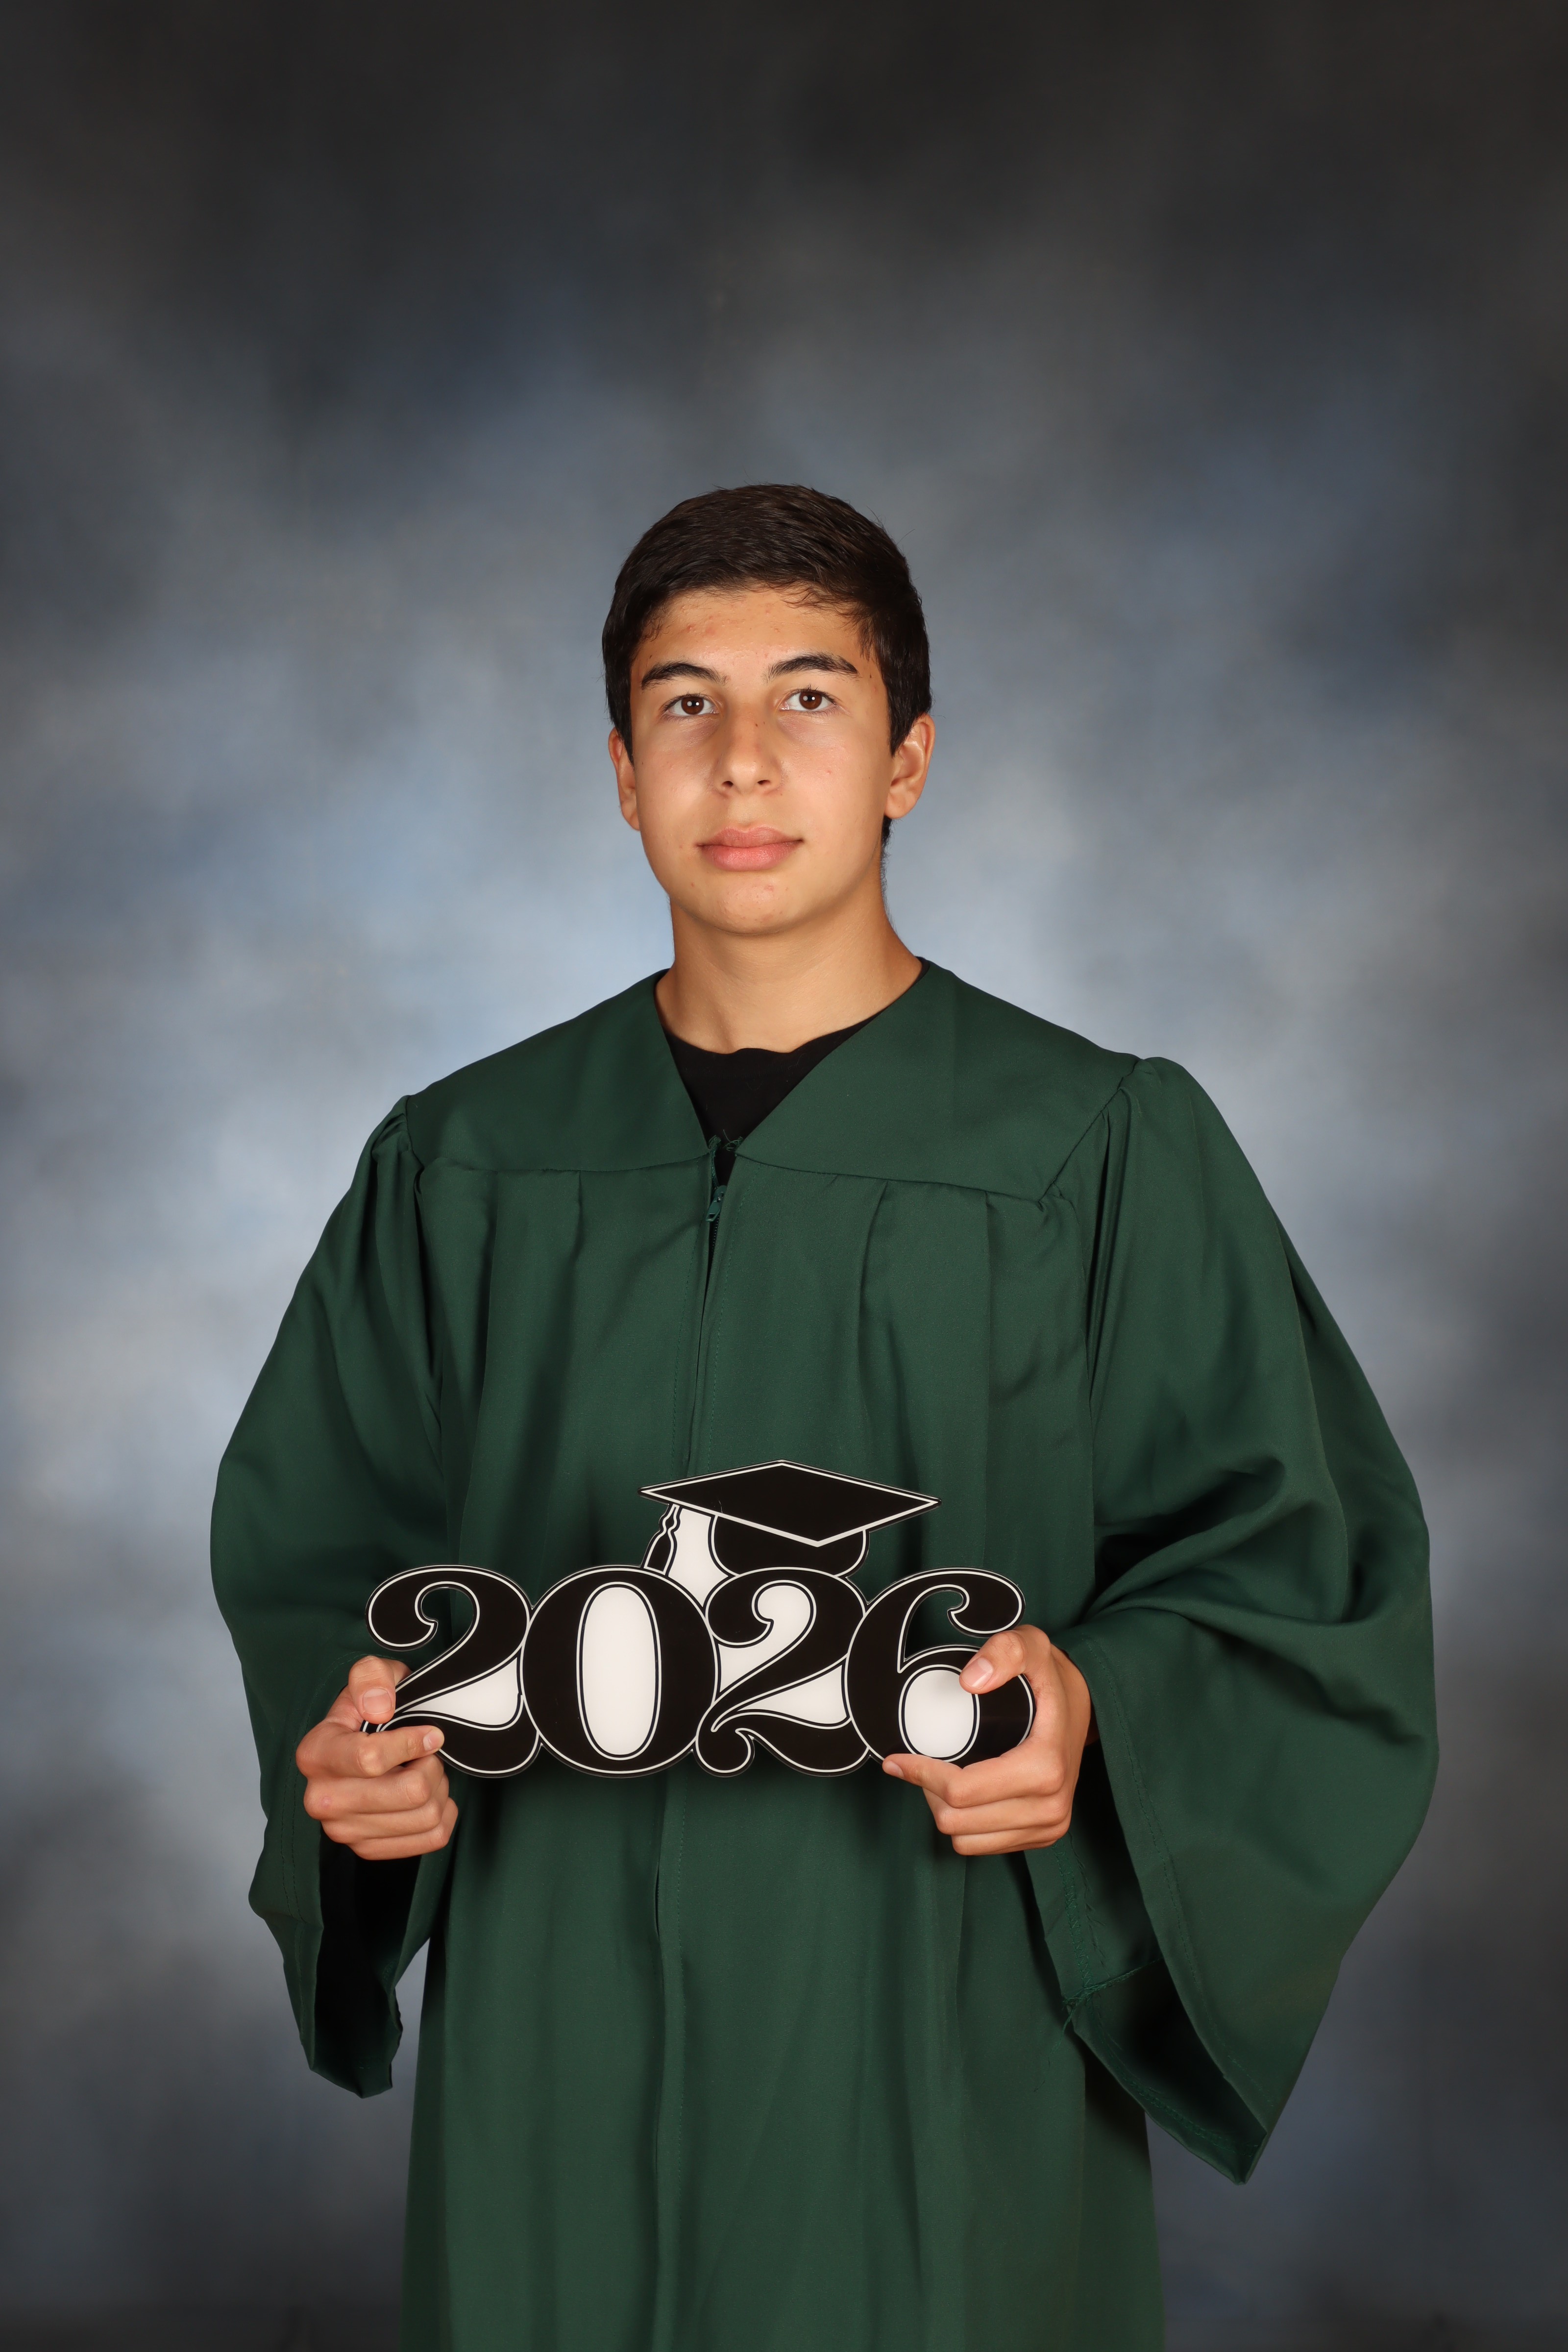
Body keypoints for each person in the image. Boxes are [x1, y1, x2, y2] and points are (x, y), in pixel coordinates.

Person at [212, 485, 1437, 2352]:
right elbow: (324, 1547)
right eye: (684, 704)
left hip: (936, 2036)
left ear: (907, 760)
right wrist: (358, 1757)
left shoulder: (1095, 1151)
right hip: (558, 2034)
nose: (744, 760)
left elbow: (1298, 1568)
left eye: (809, 695)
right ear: (621, 775)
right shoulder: (463, 1165)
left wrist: (1098, 1711)